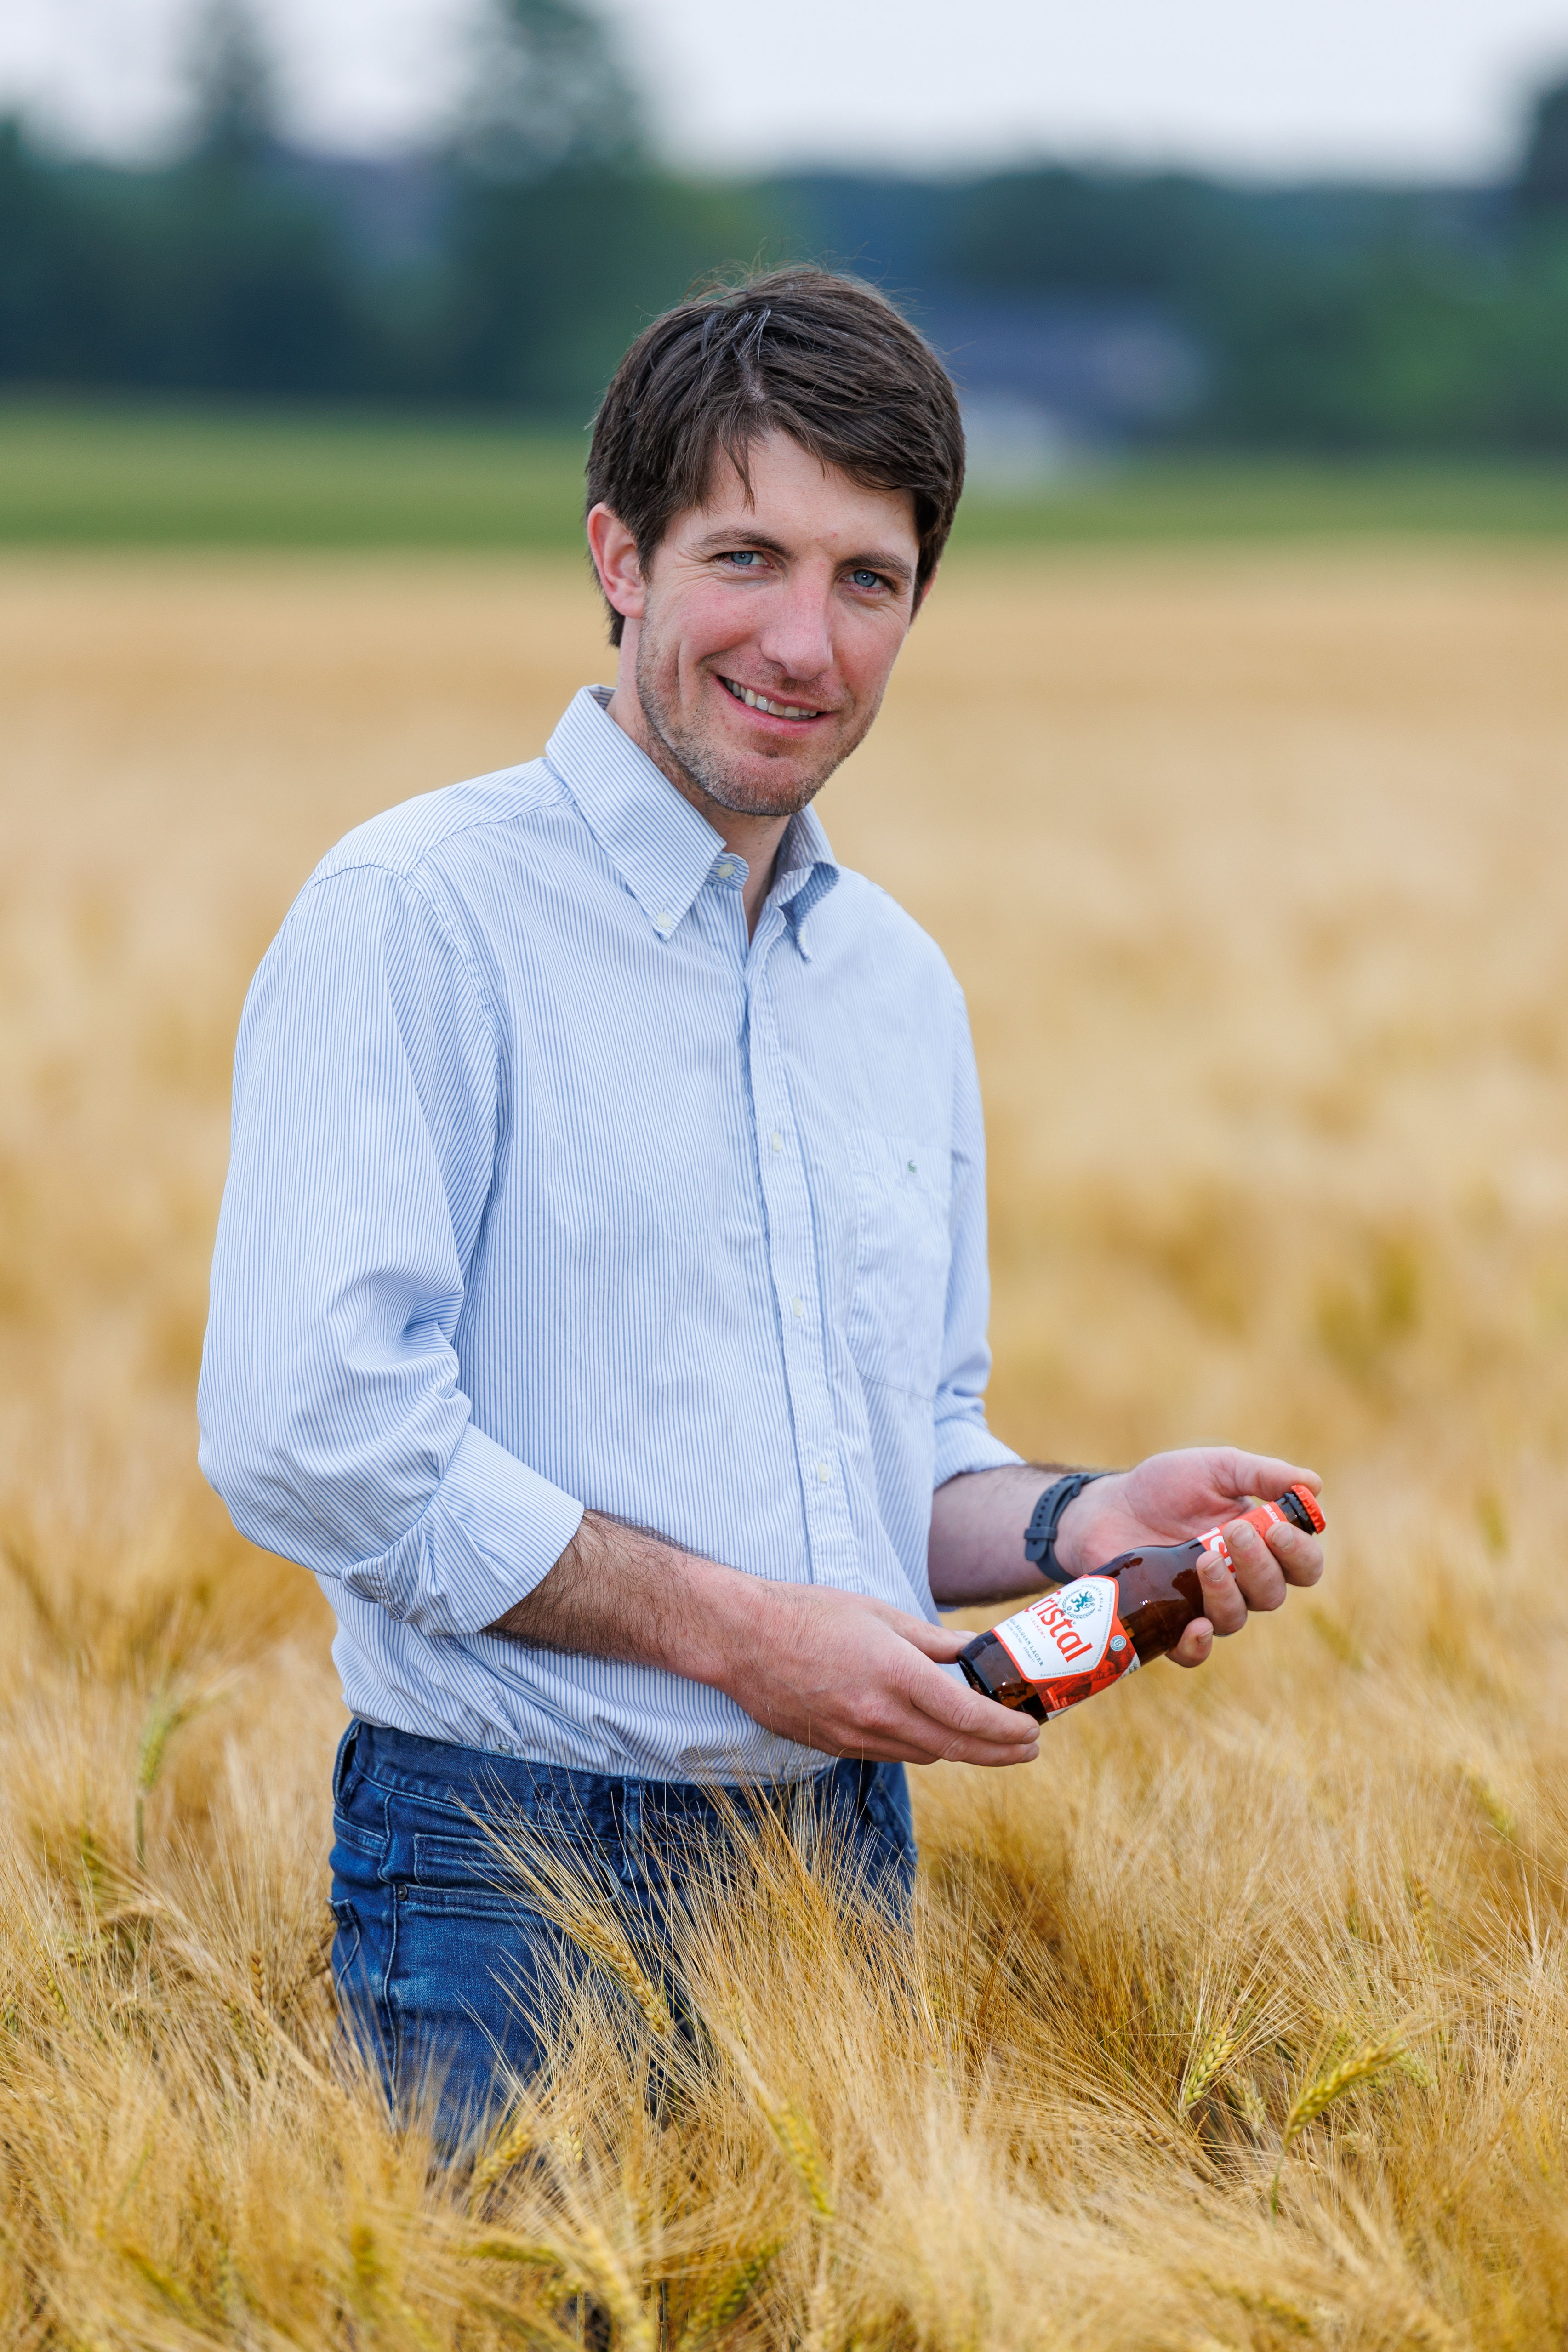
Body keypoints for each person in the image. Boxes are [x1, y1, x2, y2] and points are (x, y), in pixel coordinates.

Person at [198, 269, 1323, 2135]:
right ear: (618, 557)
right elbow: (308, 1435)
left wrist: (1083, 1515)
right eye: (747, 557)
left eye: (865, 579)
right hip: (502, 1868)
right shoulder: (417, 914)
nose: (804, 642)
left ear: (918, 606)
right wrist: (737, 1633)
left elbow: (894, 1450)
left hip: (835, 1866)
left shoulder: (892, 983)